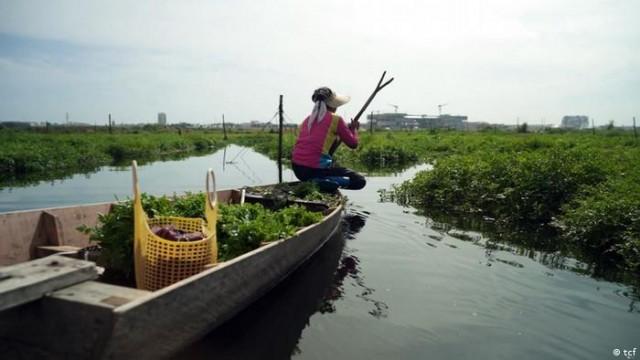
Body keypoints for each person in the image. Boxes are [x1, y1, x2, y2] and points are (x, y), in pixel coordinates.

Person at [291, 87, 366, 190]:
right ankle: (318, 181)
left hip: (298, 170)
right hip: (314, 170)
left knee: (328, 173)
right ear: (333, 105)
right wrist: (353, 130)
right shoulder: (336, 119)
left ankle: (319, 181)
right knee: (359, 181)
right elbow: (353, 144)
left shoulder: (307, 120)